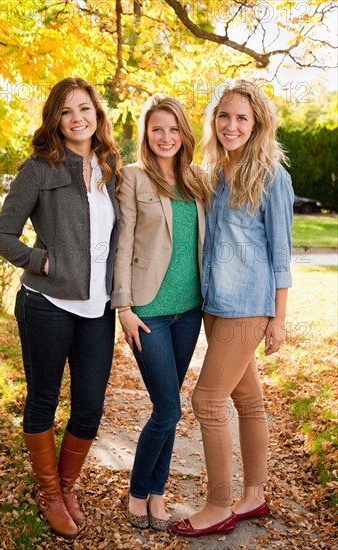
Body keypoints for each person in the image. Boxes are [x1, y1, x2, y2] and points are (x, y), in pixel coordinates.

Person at [0, 77, 121, 539]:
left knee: (89, 404)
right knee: (44, 398)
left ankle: (67, 487)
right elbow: (1, 235)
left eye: (84, 109)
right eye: (67, 112)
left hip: (97, 307)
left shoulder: (111, 168)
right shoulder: (38, 169)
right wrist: (41, 259)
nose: (77, 118)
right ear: (55, 119)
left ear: (97, 114)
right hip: (46, 303)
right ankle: (50, 494)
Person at [168, 79, 294, 538]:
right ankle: (254, 496)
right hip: (214, 307)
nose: (232, 125)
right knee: (248, 401)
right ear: (213, 120)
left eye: (242, 117)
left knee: (207, 401)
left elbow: (281, 251)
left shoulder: (272, 176)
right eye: (224, 116)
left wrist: (278, 319)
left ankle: (220, 504)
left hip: (247, 307)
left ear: (257, 123)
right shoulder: (212, 172)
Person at [111, 94, 210, 531]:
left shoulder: (198, 179)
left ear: (183, 133)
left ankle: (157, 493)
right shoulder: (132, 177)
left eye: (173, 129)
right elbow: (124, 242)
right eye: (157, 129)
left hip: (189, 312)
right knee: (168, 408)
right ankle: (137, 491)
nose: (165, 137)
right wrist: (124, 307)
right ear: (146, 135)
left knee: (166, 406)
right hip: (148, 311)